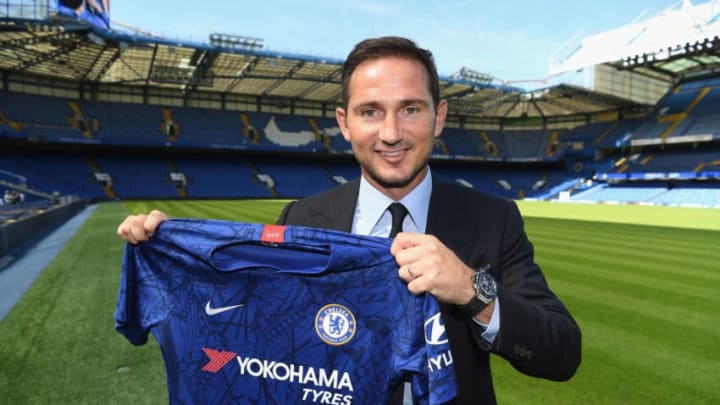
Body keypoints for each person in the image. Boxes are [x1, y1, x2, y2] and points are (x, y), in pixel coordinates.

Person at [117, 36, 581, 404]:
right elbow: (244, 328)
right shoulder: (302, 218)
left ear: (438, 117)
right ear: (344, 123)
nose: (392, 133)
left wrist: (470, 289)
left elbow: (561, 353)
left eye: (411, 110)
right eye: (370, 112)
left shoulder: (492, 220)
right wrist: (168, 247)